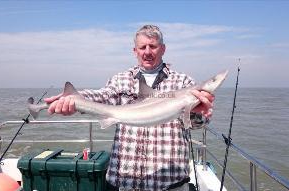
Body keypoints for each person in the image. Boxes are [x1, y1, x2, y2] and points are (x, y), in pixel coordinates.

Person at [44, 25, 214, 191]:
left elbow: (199, 124)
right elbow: (102, 95)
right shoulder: (121, 80)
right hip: (124, 182)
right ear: (135, 51)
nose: (147, 52)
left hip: (170, 183)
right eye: (143, 47)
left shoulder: (183, 83)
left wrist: (197, 113)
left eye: (153, 46)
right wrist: (76, 99)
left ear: (163, 49)